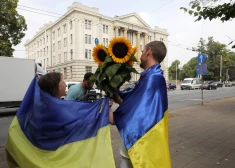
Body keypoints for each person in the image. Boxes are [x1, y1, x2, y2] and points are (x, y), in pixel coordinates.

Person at [113, 41, 171, 168]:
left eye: (143, 51)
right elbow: (132, 101)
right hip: (134, 145)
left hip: (139, 143)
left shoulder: (154, 78)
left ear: (149, 51)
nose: (141, 54)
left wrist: (115, 117)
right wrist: (113, 90)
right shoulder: (149, 76)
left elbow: (138, 113)